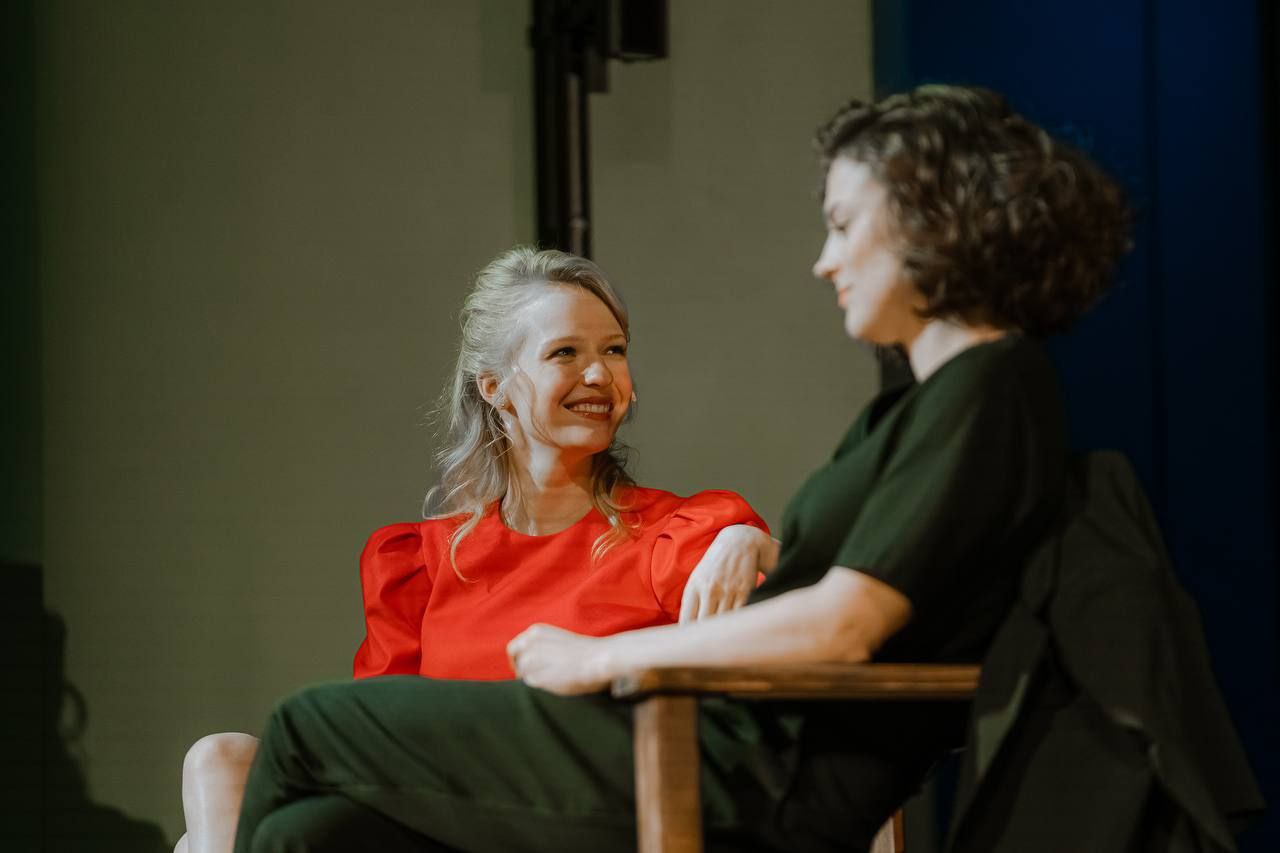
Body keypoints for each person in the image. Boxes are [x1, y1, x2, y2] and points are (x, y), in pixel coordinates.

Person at [229, 85, 1132, 853]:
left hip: (751, 765)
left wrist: (603, 655)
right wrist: (760, 549)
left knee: (309, 723)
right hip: (730, 745)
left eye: (842, 225)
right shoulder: (914, 409)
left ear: (934, 224)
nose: (824, 261)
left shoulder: (992, 389)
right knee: (307, 832)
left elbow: (844, 620)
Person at [174, 247, 775, 853]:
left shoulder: (675, 535)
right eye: (566, 353)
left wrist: (752, 542)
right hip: (439, 833)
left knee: (282, 776)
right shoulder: (418, 565)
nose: (599, 375)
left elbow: (791, 627)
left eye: (614, 350)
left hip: (594, 822)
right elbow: (373, 755)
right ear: (494, 387)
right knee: (230, 770)